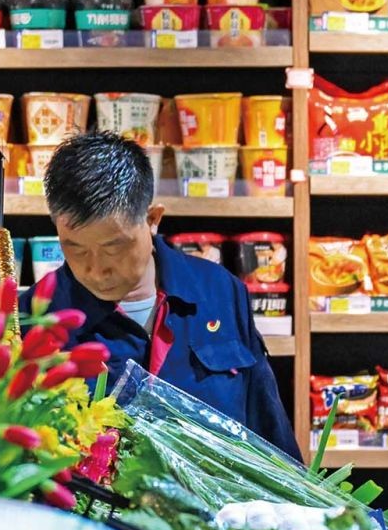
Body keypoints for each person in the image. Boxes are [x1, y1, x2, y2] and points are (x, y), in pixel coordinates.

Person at [38, 132, 300, 457]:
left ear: (152, 220)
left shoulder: (220, 291)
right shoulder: (35, 318)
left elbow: (269, 431)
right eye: (74, 248)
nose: (95, 270)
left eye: (113, 246)